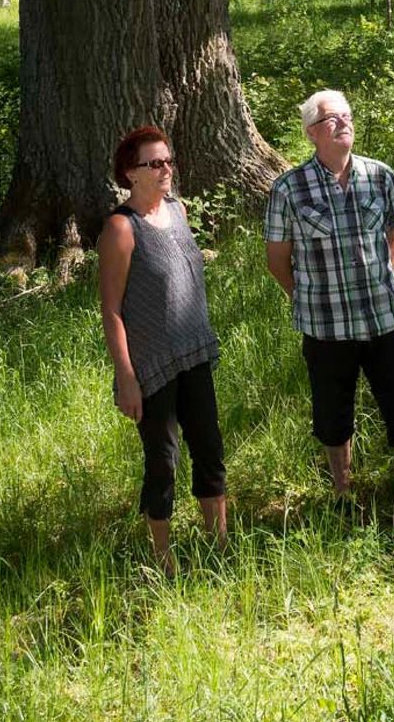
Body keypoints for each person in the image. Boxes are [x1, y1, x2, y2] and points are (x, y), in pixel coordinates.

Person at [264, 90, 394, 514]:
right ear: (311, 133)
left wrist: (389, 272)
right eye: (331, 119)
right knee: (332, 415)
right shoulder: (289, 188)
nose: (343, 123)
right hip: (326, 328)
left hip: (386, 319)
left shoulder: (379, 175)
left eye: (346, 116)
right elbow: (276, 259)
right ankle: (345, 497)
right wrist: (306, 298)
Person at [98, 126, 226, 573]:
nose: (166, 169)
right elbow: (111, 310)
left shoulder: (179, 211)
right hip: (151, 367)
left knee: (209, 449)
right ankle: (162, 557)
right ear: (131, 174)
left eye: (168, 160)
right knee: (163, 460)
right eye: (155, 163)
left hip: (194, 353)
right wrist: (127, 377)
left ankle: (220, 546)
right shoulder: (120, 228)